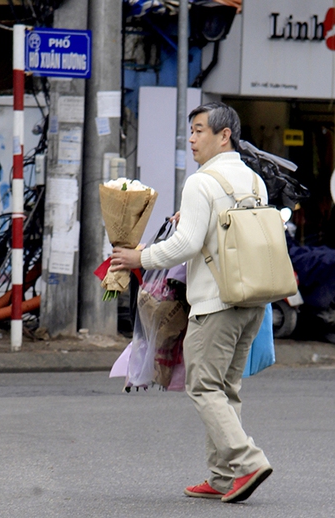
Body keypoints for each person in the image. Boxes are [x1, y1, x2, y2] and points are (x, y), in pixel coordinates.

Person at [110, 102, 273, 504]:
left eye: (200, 130)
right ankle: (222, 477)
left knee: (203, 386)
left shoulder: (202, 181)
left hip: (216, 302)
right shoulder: (253, 181)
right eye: (191, 130)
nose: (192, 138)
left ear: (224, 136)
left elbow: (186, 245)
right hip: (252, 300)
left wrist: (139, 258)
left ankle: (248, 461)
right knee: (226, 387)